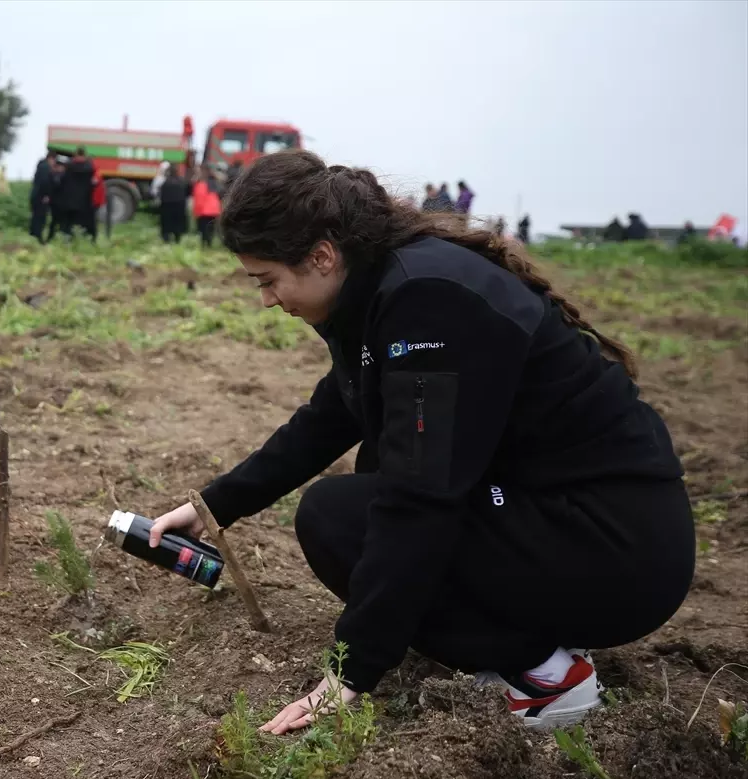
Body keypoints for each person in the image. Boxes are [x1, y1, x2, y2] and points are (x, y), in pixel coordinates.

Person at [149, 150, 692, 735]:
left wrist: (350, 672)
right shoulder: (382, 289)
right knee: (360, 507)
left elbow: (420, 497)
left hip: (616, 548)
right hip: (566, 521)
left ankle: (545, 676)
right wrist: (214, 506)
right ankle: (522, 636)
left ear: (323, 256)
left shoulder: (428, 302)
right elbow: (332, 414)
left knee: (342, 520)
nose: (266, 299)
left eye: (268, 280)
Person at [60, 147, 97, 242]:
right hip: (84, 202)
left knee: (69, 224)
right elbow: (92, 184)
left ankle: (68, 240)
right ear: (84, 155)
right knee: (83, 223)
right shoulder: (90, 168)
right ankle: (84, 240)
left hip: (69, 202)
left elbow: (62, 181)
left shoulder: (68, 167)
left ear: (76, 155)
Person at [158, 166, 190, 243]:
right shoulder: (182, 182)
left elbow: (160, 195)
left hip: (167, 208)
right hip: (179, 208)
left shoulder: (165, 182)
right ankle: (177, 239)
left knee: (166, 224)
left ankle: (166, 239)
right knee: (178, 225)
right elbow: (187, 193)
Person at [192, 166, 222, 247]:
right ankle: (209, 245)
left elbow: (199, 201)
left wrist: (196, 213)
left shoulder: (201, 185)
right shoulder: (214, 184)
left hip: (204, 212)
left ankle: (204, 246)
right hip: (214, 211)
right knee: (210, 231)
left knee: (203, 231)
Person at [29, 150, 55, 243]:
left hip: (35, 195)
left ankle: (33, 235)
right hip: (41, 197)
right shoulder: (46, 167)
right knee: (40, 218)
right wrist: (47, 195)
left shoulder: (40, 166)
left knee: (35, 216)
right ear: (51, 159)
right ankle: (37, 237)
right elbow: (45, 182)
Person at [44, 160, 67, 243]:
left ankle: (50, 239)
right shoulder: (60, 176)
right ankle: (59, 239)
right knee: (60, 223)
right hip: (60, 203)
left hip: (55, 203)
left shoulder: (53, 175)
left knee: (55, 222)